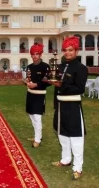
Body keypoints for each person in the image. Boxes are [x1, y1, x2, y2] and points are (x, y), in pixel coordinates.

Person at [50, 36, 88, 180]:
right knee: (62, 135)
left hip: (72, 105)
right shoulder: (60, 66)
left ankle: (78, 167)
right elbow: (55, 87)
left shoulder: (81, 68)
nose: (67, 53)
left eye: (70, 50)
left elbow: (79, 89)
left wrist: (62, 85)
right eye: (65, 50)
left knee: (76, 138)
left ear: (76, 51)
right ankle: (66, 159)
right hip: (60, 105)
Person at [25, 43, 50, 148]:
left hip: (39, 95)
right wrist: (26, 81)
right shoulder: (29, 67)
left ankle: (37, 140)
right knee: (31, 115)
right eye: (33, 54)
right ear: (31, 55)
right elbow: (28, 78)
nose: (35, 56)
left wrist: (36, 84)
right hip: (30, 94)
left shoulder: (46, 67)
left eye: (37, 54)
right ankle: (37, 135)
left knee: (37, 117)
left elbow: (48, 82)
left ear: (40, 55)